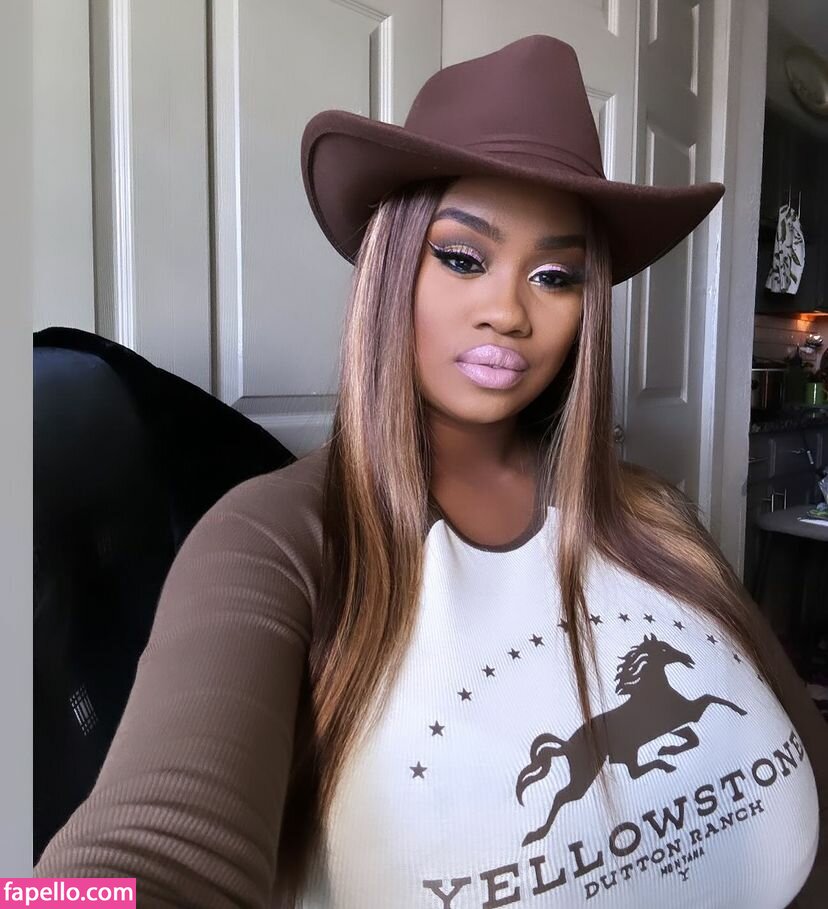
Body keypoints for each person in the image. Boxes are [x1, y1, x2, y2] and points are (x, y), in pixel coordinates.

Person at [34, 34, 826, 909]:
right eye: (462, 257)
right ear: (392, 263)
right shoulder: (273, 541)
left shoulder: (654, 514)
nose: (508, 311)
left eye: (555, 275)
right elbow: (151, 858)